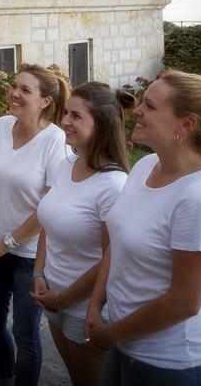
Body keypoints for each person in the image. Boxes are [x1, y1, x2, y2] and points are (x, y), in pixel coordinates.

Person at [85, 70, 201, 385]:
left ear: (186, 124)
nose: (137, 111)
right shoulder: (147, 166)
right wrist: (96, 304)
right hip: (123, 342)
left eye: (150, 106)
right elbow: (118, 244)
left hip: (174, 364)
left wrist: (109, 335)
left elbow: (184, 302)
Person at [30, 82, 133, 385]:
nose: (64, 121)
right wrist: (38, 274)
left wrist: (63, 298)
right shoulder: (67, 163)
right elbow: (49, 223)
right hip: (52, 298)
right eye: (66, 113)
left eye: (76, 115)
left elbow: (110, 259)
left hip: (82, 308)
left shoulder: (114, 185)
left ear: (100, 125)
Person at [0, 64, 69, 386]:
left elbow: (50, 204)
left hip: (30, 253)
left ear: (45, 101)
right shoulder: (3, 125)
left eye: (25, 90)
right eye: (15, 86)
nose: (14, 93)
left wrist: (9, 243)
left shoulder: (56, 141)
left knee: (25, 333)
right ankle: (5, 378)